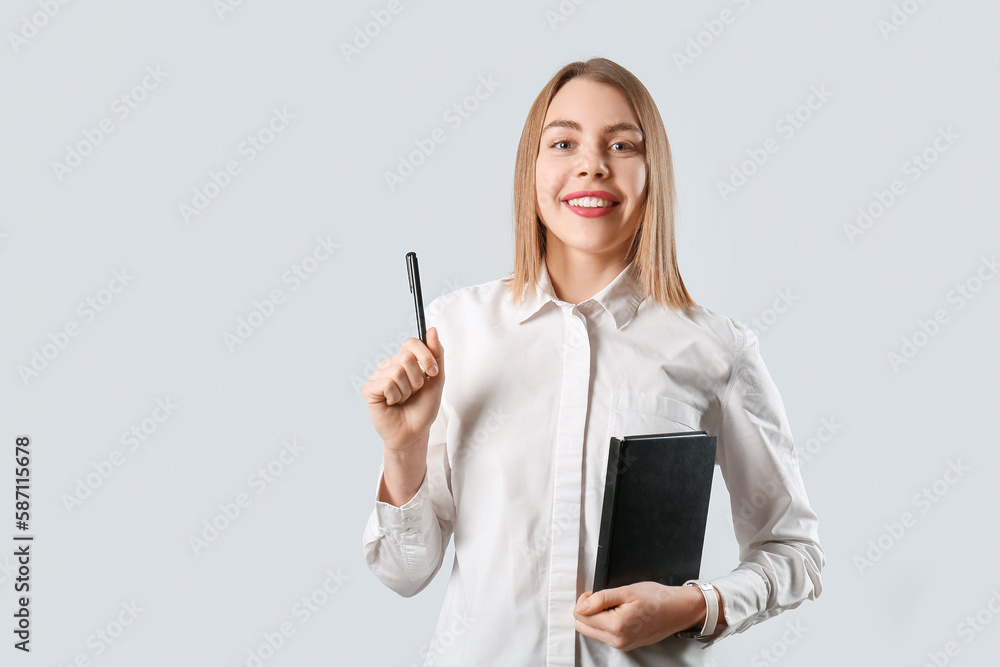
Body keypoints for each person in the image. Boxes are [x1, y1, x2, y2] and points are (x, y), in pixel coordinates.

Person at [361, 57, 824, 666]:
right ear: (532, 170)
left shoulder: (717, 350)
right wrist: (403, 449)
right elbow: (403, 571)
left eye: (622, 144)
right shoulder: (457, 331)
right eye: (563, 141)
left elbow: (794, 552)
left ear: (651, 174)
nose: (591, 164)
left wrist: (693, 605)